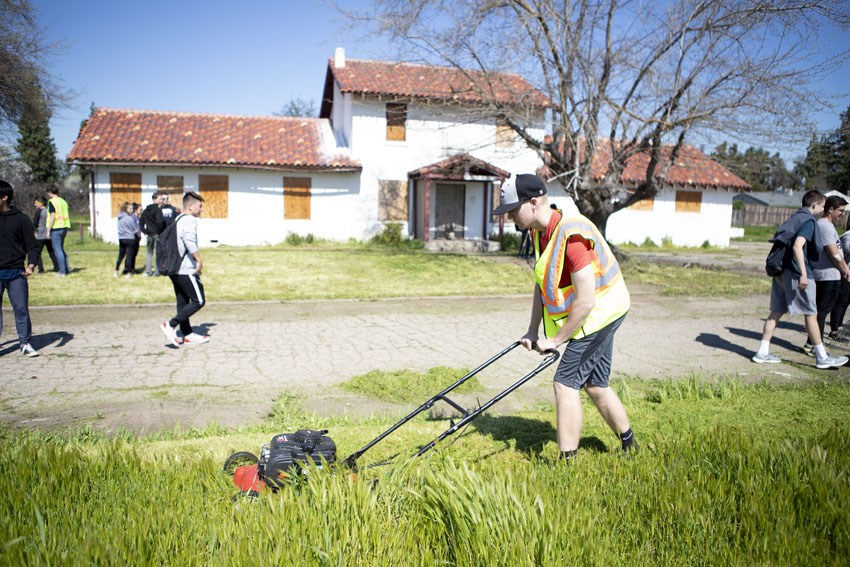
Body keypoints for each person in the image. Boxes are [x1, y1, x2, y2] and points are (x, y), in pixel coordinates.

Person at [493, 173, 635, 463]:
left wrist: (556, 341)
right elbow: (541, 281)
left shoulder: (571, 237)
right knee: (595, 384)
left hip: (601, 312)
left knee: (565, 382)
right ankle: (630, 445)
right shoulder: (537, 231)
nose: (509, 218)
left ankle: (567, 463)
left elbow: (586, 301)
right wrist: (533, 330)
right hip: (598, 311)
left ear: (533, 203)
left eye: (511, 211)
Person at [752, 190, 848, 369]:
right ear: (814, 205)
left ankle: (762, 352)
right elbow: (798, 247)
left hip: (781, 272)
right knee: (811, 314)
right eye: (821, 206)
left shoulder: (794, 218)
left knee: (776, 312)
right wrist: (804, 273)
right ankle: (821, 357)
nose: (822, 209)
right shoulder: (809, 221)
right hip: (797, 273)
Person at [160, 191, 209, 347]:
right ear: (190, 206)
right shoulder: (189, 220)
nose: (201, 210)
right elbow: (189, 240)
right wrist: (198, 259)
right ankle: (171, 324)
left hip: (173, 268)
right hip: (184, 268)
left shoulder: (178, 219)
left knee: (182, 302)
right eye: (199, 206)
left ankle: (187, 334)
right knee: (198, 300)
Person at [0, 180, 40, 357]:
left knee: (21, 309)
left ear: (4, 197)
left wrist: (31, 265)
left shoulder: (22, 219)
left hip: (16, 272)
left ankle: (25, 343)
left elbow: (32, 245)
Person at [805, 196, 850, 353]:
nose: (842, 215)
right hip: (826, 275)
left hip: (832, 275)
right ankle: (816, 345)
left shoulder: (829, 226)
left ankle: (813, 342)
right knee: (821, 311)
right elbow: (833, 252)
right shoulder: (824, 226)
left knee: (823, 310)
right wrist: (845, 269)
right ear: (830, 209)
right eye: (841, 211)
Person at [830, 214, 850, 338]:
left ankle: (839, 325)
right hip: (846, 273)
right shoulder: (847, 236)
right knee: (841, 301)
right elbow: (846, 249)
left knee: (846, 301)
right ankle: (834, 330)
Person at [45, 186, 71, 276]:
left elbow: (52, 215)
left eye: (48, 192)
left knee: (58, 250)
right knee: (61, 249)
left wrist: (48, 230)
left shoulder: (52, 202)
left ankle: (62, 271)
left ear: (50, 192)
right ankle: (67, 269)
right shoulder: (63, 201)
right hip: (64, 227)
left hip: (56, 228)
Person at [141, 192, 166, 276]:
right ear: (154, 199)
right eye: (160, 199)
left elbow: (141, 223)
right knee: (158, 253)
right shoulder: (158, 210)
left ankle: (148, 272)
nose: (161, 201)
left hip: (149, 234)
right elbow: (160, 221)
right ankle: (157, 272)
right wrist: (159, 231)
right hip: (156, 234)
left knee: (149, 253)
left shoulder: (146, 210)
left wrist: (145, 231)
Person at [32, 197, 57, 273]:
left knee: (38, 253)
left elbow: (35, 223)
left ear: (41, 203)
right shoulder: (48, 211)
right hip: (48, 234)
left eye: (37, 203)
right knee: (51, 252)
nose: (35, 205)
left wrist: (35, 233)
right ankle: (57, 267)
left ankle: (41, 269)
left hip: (40, 235)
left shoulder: (38, 211)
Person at [114, 202, 139, 277]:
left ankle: (116, 270)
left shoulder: (119, 217)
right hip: (130, 238)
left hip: (121, 238)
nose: (132, 210)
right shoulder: (129, 219)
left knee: (121, 255)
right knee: (129, 256)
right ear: (126, 209)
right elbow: (135, 230)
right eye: (130, 209)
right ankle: (129, 272)